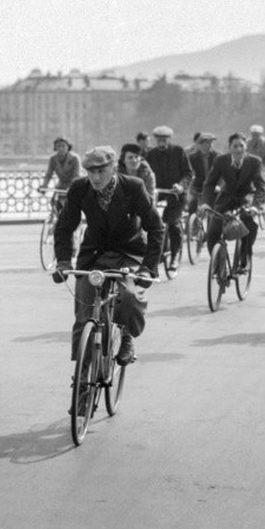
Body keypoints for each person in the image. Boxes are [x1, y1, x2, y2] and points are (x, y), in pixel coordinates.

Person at [52, 146, 163, 367]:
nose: (95, 177)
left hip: (128, 254)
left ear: (113, 167)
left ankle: (127, 336)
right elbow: (64, 227)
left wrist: (148, 267)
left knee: (129, 298)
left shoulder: (133, 187)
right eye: (90, 171)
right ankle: (83, 378)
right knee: (85, 313)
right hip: (94, 256)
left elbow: (156, 228)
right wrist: (63, 261)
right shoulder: (79, 188)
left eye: (101, 170)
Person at [200, 133, 265, 273]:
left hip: (246, 197)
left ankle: (245, 260)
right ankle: (218, 264)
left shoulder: (254, 162)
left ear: (246, 147)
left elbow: (261, 186)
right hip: (226, 197)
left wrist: (256, 206)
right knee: (213, 230)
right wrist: (206, 203)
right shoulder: (221, 161)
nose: (238, 149)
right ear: (229, 148)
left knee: (248, 223)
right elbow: (209, 184)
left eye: (241, 146)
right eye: (235, 146)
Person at [145, 125, 192, 269]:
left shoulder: (178, 152)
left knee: (172, 222)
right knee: (150, 221)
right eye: (158, 139)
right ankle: (154, 252)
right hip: (157, 192)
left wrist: (180, 186)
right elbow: (145, 174)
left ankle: (174, 255)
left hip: (176, 194)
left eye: (164, 139)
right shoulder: (151, 154)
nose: (161, 142)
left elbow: (188, 174)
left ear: (169, 139)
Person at [186, 133, 219, 220]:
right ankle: (193, 225)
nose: (207, 146)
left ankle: (212, 228)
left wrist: (219, 185)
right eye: (204, 144)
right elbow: (189, 173)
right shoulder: (192, 157)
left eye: (210, 143)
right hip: (198, 186)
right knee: (192, 204)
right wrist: (190, 186)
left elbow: (223, 174)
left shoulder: (218, 156)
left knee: (214, 209)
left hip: (214, 186)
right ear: (199, 145)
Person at [39, 137, 81, 204]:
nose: (61, 148)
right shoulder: (53, 159)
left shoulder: (74, 158)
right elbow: (49, 174)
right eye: (58, 146)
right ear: (55, 148)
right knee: (54, 202)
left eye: (63, 146)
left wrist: (72, 187)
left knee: (73, 204)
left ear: (68, 147)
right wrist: (44, 185)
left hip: (74, 185)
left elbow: (76, 175)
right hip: (61, 185)